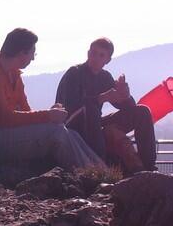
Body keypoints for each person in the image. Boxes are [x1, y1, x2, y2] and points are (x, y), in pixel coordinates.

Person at [0, 28, 103, 169]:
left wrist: (49, 115)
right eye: (32, 53)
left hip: (3, 132)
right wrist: (47, 116)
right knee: (57, 133)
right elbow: (4, 118)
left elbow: (25, 111)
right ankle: (89, 173)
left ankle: (101, 170)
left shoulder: (13, 73)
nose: (33, 58)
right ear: (22, 53)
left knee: (69, 133)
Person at [55, 37, 157, 172]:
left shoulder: (105, 77)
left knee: (142, 112)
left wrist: (125, 95)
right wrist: (100, 98)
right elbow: (70, 107)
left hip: (96, 123)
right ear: (88, 53)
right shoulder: (74, 73)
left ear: (107, 60)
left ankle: (149, 167)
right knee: (91, 110)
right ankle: (100, 166)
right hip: (74, 126)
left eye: (101, 55)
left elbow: (128, 108)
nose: (95, 58)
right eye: (93, 53)